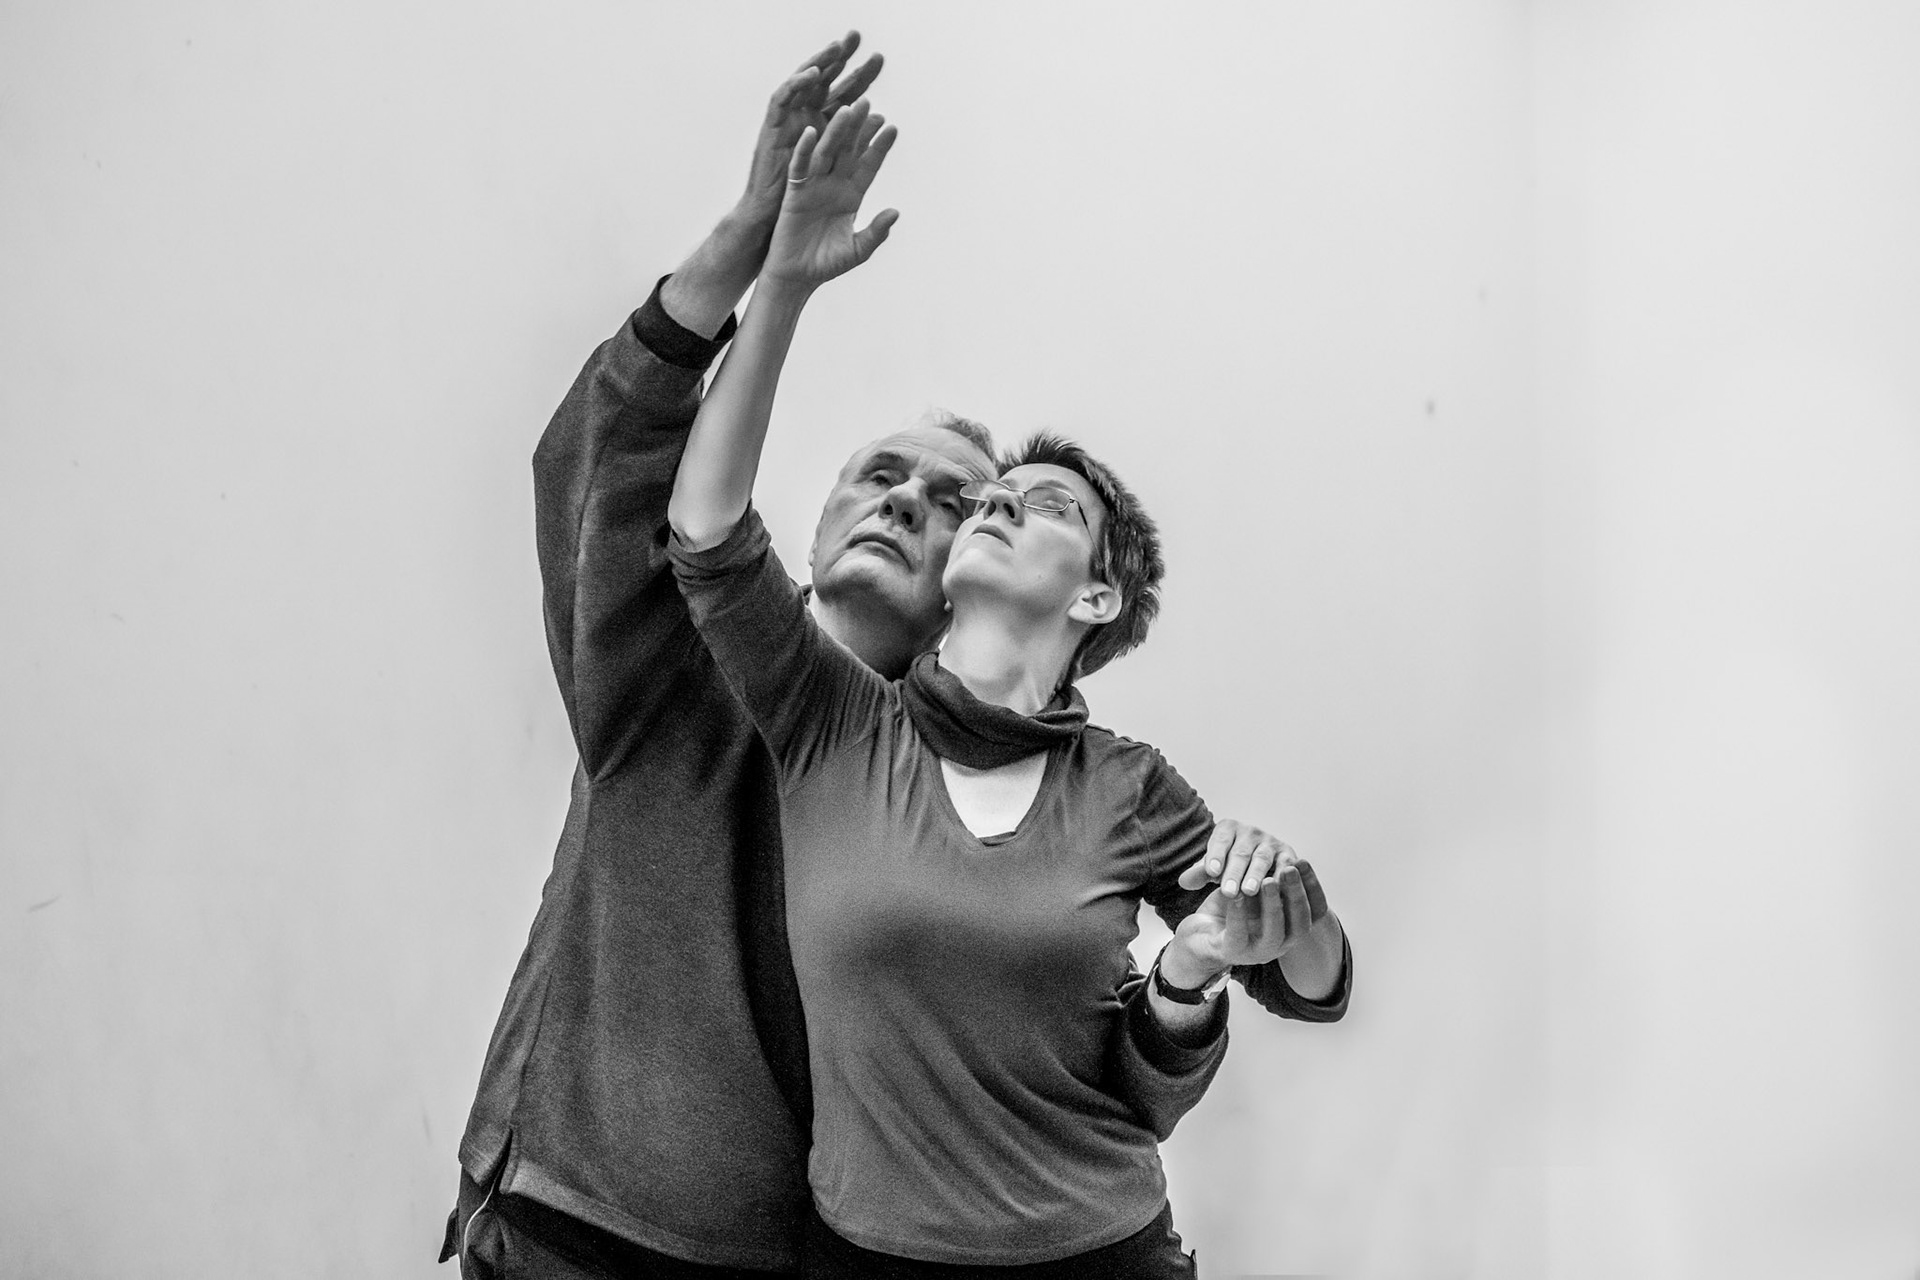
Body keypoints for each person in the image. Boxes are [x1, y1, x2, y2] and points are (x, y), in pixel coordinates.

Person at [444, 34, 1319, 1280]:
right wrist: (754, 245)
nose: (908, 499)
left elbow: (1116, 1056)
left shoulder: (997, 793)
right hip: (571, 1222)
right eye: (877, 474)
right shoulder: (667, 655)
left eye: (959, 499)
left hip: (795, 1253)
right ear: (813, 522)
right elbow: (605, 466)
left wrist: (1197, 975)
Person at [666, 94, 1351, 1275]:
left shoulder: (1129, 787)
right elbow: (706, 524)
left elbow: (1312, 984)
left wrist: (1285, 907)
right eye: (988, 497)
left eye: (1044, 506)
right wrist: (780, 285)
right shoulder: (836, 719)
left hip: (1106, 1251)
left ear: (1095, 596)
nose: (994, 504)